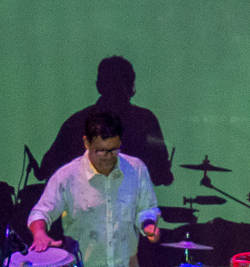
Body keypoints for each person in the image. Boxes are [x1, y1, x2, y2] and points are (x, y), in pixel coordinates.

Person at [28, 109, 161, 267]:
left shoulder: (136, 169)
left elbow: (146, 208)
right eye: (101, 151)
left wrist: (148, 224)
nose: (108, 158)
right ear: (86, 143)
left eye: (114, 150)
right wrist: (40, 234)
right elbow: (40, 212)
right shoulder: (67, 176)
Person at [39, 56, 175, 191]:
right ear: (131, 86)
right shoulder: (146, 121)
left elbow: (46, 168)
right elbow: (160, 176)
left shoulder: (76, 122)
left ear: (99, 85)